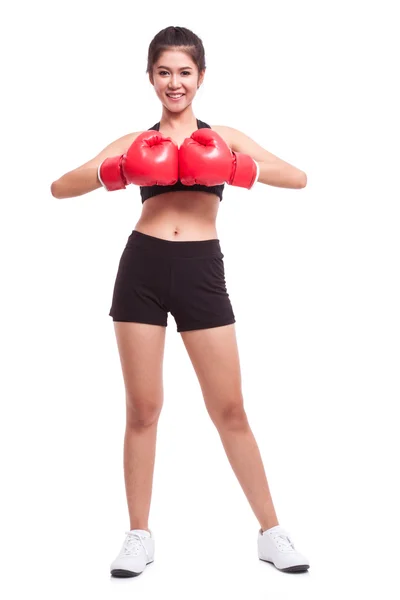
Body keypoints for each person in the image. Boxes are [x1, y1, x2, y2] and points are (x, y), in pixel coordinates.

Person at [51, 25, 309, 578]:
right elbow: (61, 186)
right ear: (150, 78)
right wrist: (116, 171)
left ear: (201, 77)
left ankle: (272, 532)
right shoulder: (136, 140)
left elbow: (298, 177)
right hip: (141, 268)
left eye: (184, 72)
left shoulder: (225, 135)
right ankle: (139, 536)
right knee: (143, 410)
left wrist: (238, 168)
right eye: (164, 72)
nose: (175, 82)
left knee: (230, 409)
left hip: (200, 272)